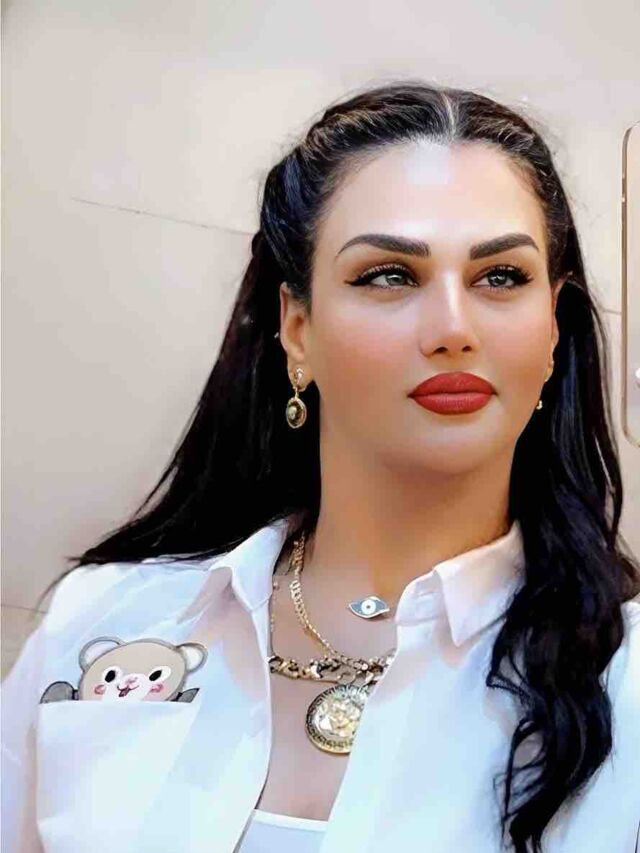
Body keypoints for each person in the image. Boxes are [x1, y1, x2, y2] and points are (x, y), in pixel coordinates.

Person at [2, 80, 639, 853]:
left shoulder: (627, 682)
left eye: (501, 276)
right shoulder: (106, 621)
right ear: (297, 329)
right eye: (389, 275)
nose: (453, 327)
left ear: (552, 331)